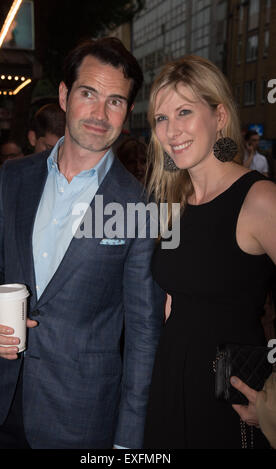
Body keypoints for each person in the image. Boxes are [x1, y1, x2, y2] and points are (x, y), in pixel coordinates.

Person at [0, 37, 165, 449]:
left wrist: (128, 441)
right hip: (0, 400)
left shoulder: (139, 205)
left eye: (115, 101)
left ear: (128, 113)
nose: (100, 113)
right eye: (88, 94)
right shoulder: (14, 178)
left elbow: (142, 334)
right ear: (64, 96)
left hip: (80, 417)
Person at [143, 55, 276, 449]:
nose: (171, 130)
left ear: (219, 116)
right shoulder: (172, 200)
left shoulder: (260, 199)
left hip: (227, 403)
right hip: (169, 388)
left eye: (184, 111)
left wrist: (273, 405)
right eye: (161, 118)